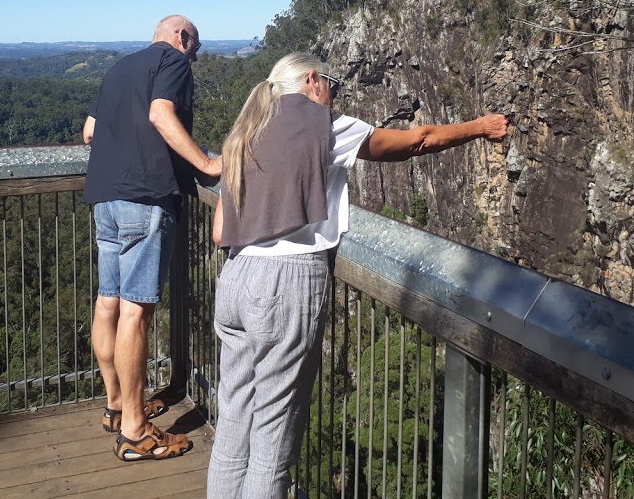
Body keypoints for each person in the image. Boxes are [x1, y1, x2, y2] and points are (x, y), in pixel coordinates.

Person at [206, 52, 507, 499]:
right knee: (273, 436)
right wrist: (480, 127)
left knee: (234, 421)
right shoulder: (325, 125)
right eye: (332, 85)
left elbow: (218, 231)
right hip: (285, 285)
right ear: (312, 81)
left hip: (235, 278)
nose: (334, 94)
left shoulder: (249, 127)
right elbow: (418, 140)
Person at [82, 14, 223, 461]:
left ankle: (116, 406)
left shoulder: (118, 67)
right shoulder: (173, 63)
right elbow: (161, 113)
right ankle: (135, 430)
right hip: (145, 198)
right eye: (195, 47)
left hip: (105, 196)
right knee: (136, 314)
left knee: (108, 302)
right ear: (181, 38)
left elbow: (90, 131)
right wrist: (206, 163)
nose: (194, 56)